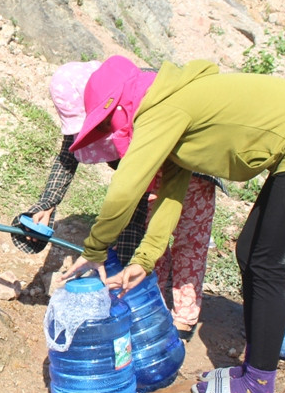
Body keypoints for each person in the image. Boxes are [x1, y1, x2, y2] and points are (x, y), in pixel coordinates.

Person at [61, 55, 285, 393]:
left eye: (107, 125)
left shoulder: (162, 109)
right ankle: (252, 374)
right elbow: (171, 194)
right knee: (250, 252)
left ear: (120, 107)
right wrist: (144, 259)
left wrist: (96, 249)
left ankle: (256, 386)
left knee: (267, 264)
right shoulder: (170, 109)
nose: (109, 134)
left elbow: (126, 188)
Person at [13, 60, 219, 340]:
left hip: (192, 170)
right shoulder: (99, 107)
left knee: (188, 243)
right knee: (149, 246)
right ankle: (150, 310)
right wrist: (47, 203)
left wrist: (113, 252)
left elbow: (131, 191)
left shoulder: (139, 101)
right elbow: (68, 155)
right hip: (148, 179)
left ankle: (182, 321)